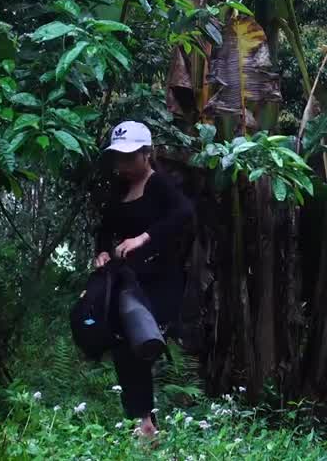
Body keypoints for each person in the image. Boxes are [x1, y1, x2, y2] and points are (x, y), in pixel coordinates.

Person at [93, 120, 194, 442]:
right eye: (118, 158)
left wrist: (143, 238)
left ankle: (146, 420)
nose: (122, 165)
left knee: (141, 344)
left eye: (129, 157)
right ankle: (144, 420)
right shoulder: (119, 190)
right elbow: (104, 228)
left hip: (159, 282)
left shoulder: (159, 185)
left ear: (147, 154)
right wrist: (102, 253)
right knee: (123, 347)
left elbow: (183, 213)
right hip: (126, 283)